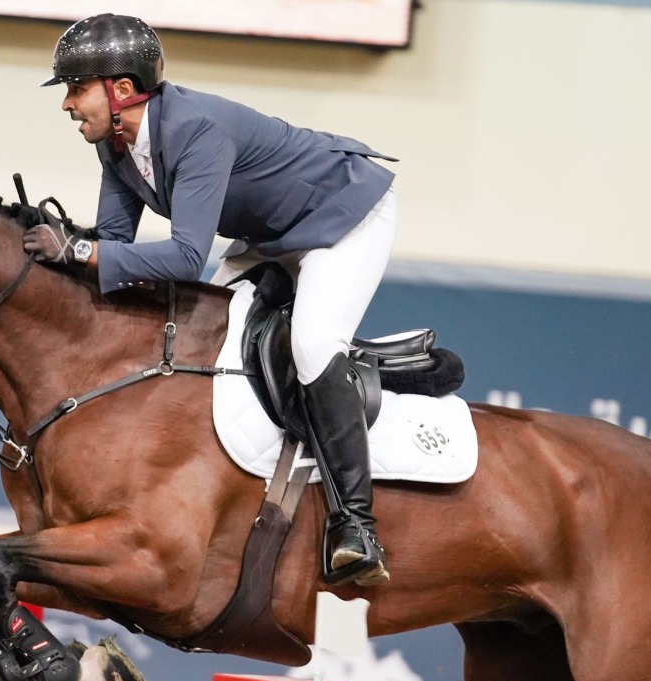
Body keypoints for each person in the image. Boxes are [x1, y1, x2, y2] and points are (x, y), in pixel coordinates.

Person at [22, 13, 397, 586]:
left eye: (76, 88)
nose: (68, 105)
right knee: (201, 337)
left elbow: (181, 259)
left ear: (121, 90)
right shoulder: (117, 143)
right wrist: (58, 247)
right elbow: (114, 248)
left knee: (314, 342)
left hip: (343, 219)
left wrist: (77, 253)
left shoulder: (195, 129)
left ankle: (357, 526)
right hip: (272, 237)